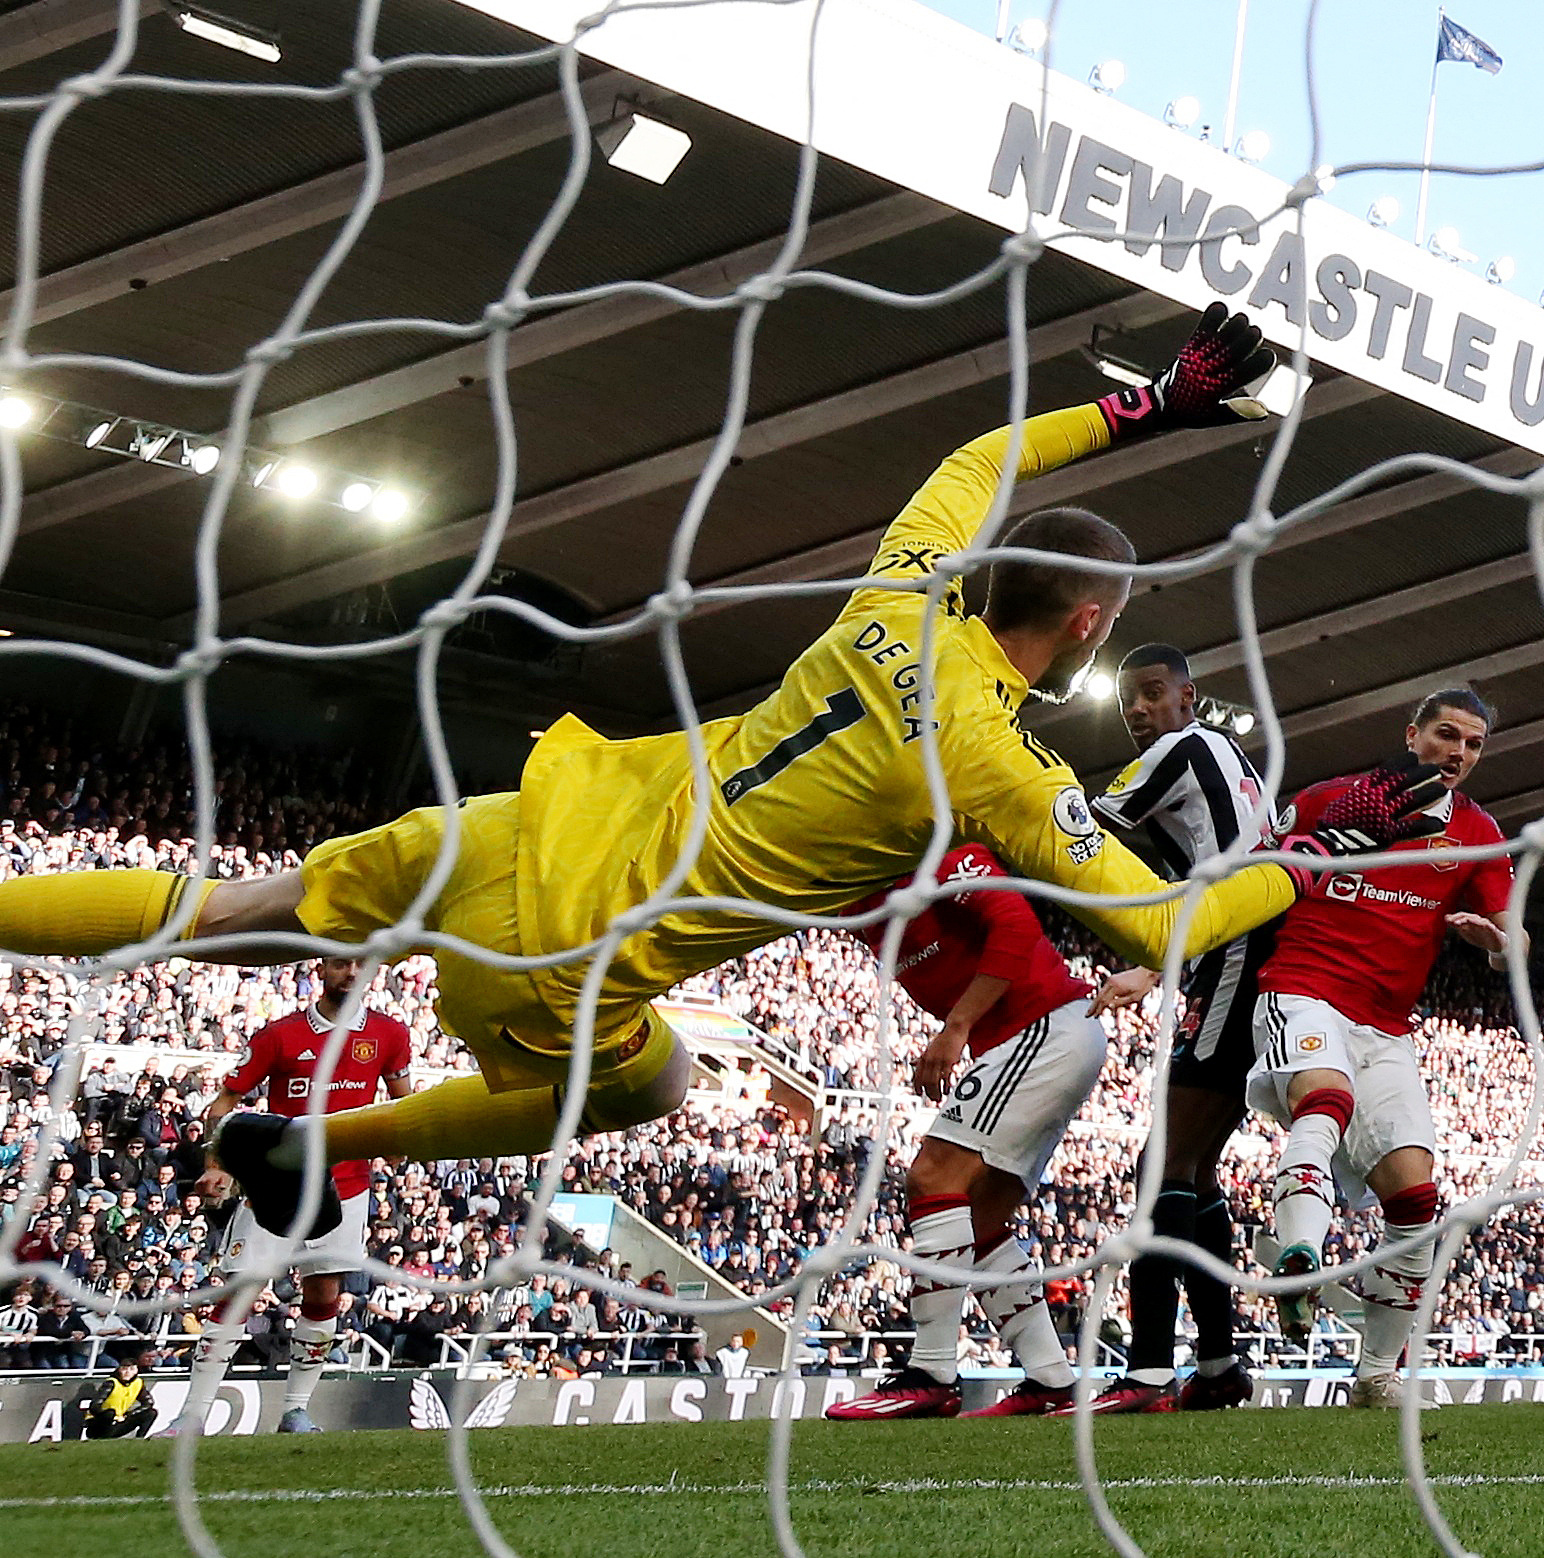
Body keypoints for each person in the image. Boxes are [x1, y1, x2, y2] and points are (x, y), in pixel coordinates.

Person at [0, 306, 1442, 1241]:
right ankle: (321, 1140)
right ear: (1088, 626)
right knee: (661, 1082)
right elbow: (1171, 928)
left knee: (234, 900)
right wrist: (1311, 858)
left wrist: (1151, 409)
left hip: (517, 823)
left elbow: (977, 449)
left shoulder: (896, 597)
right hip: (572, 961)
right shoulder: (1000, 766)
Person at [1251, 688, 1520, 1409]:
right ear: (1412, 735)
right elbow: (1249, 879)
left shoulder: (1479, 832)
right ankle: (1301, 1257)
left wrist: (1499, 948)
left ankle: (1373, 1377)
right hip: (1301, 989)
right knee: (1325, 1099)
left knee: (1416, 1196)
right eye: (1444, 735)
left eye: (1471, 743)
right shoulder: (1328, 801)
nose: (1456, 752)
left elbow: (1514, 936)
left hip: (1387, 1028)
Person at [823, 845, 1108, 1420]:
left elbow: (1017, 926)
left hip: (1041, 1025)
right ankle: (1052, 1380)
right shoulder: (850, 896)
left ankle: (931, 1374)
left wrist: (957, 1028)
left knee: (932, 1176)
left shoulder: (947, 859)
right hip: (1036, 1037)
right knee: (977, 1223)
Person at [1076, 643, 1277, 1414]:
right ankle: (1219, 1364)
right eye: (1130, 699)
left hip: (1236, 944)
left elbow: (1082, 831)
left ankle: (1150, 1370)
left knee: (1161, 1166)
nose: (1136, 710)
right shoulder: (1222, 755)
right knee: (1190, 1172)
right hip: (1231, 943)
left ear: (1187, 698)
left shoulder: (1181, 746)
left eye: (1151, 694)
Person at [179, 956, 412, 1435]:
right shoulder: (279, 1036)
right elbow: (222, 1105)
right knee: (238, 1291)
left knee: (324, 1294)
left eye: (362, 966)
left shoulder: (390, 1035)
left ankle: (296, 1410)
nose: (352, 973)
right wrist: (216, 1165)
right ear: (321, 970)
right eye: (342, 964)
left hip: (345, 1189)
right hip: (274, 1186)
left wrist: (403, 1144)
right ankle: (192, 1415)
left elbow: (404, 1101)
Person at [80, 1356, 157, 1440]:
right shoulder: (111, 1383)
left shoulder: (138, 1383)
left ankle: (140, 1439)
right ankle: (103, 1439)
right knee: (109, 1413)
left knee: (151, 1413)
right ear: (119, 1370)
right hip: (100, 1424)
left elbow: (148, 1403)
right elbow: (95, 1406)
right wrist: (112, 1416)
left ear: (136, 1371)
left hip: (120, 1421)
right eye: (124, 1369)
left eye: (131, 1369)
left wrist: (129, 1414)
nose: (127, 1372)